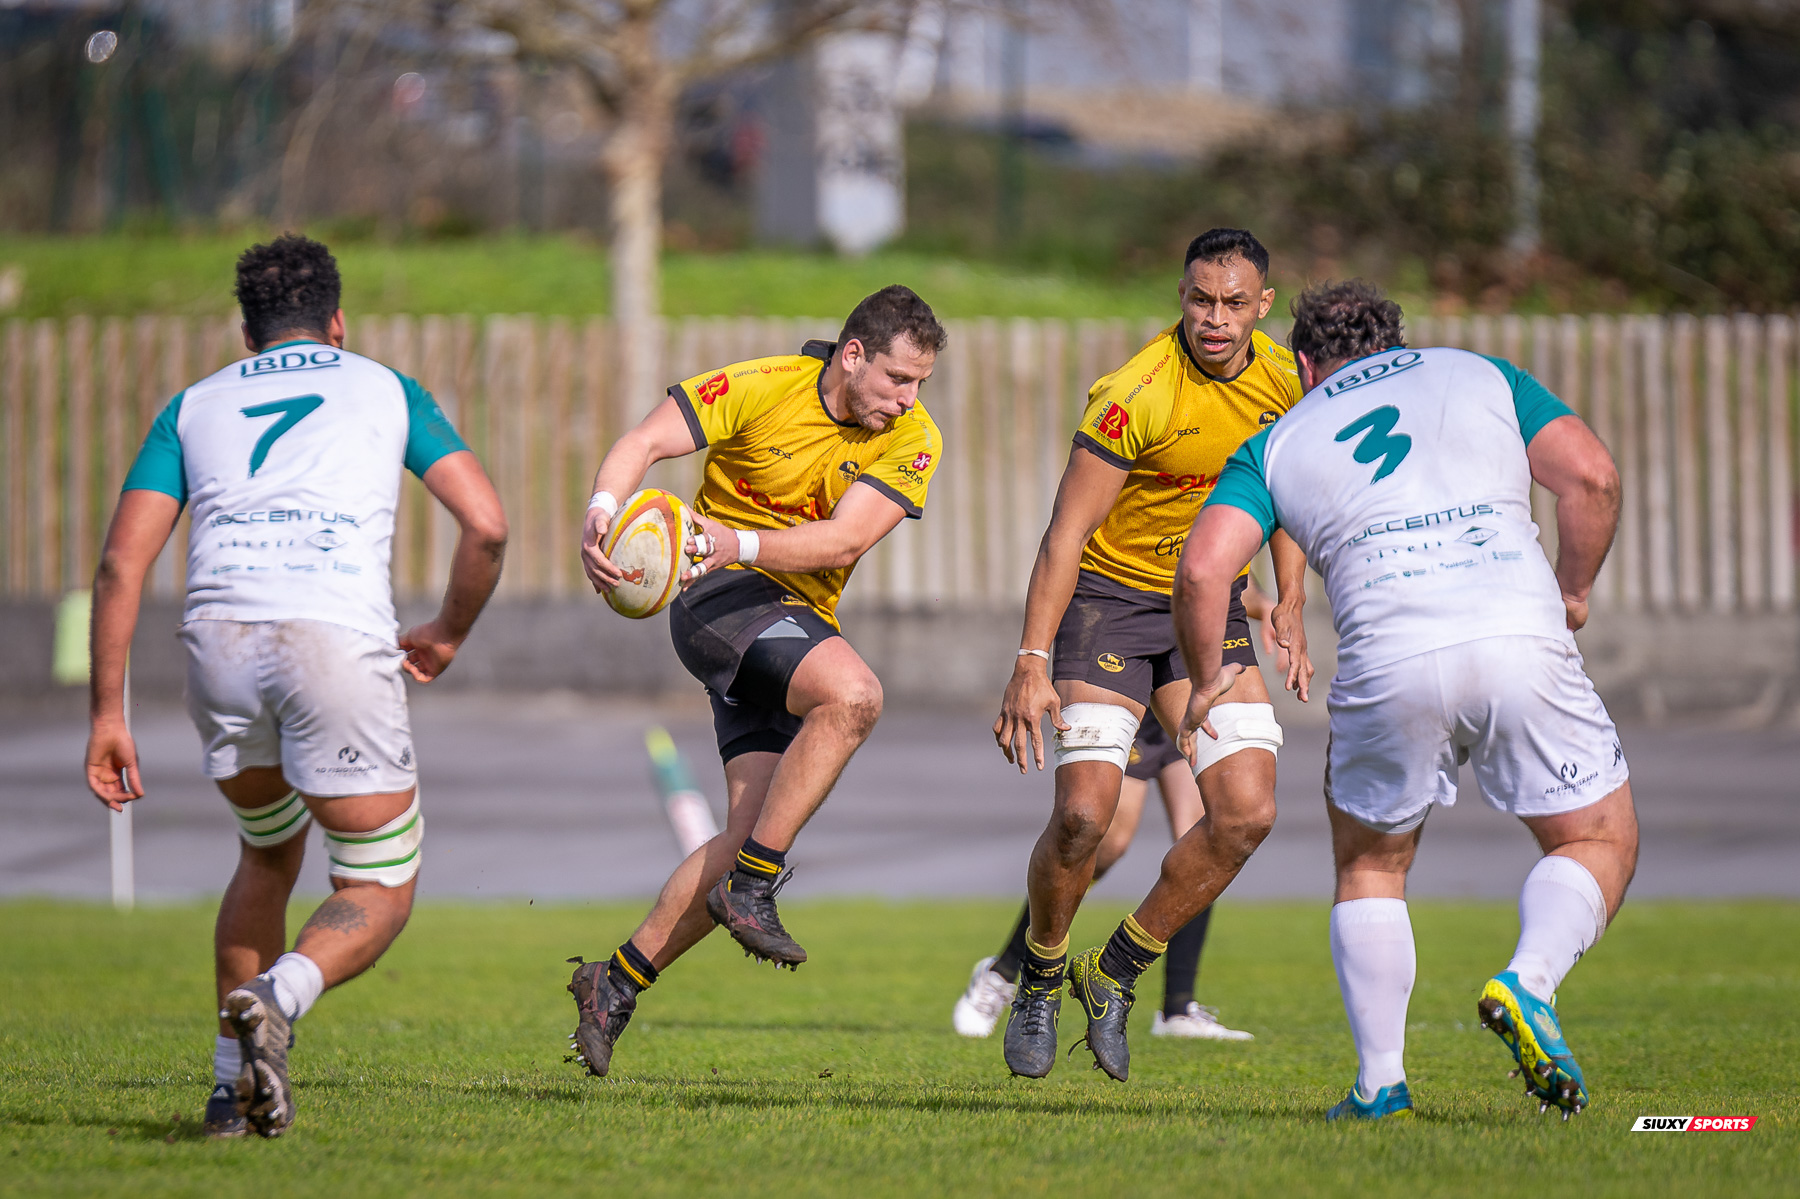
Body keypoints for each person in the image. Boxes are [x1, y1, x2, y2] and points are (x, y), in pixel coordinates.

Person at [1168, 279, 1636, 1121]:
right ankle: (1528, 982)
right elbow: (1593, 478)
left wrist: (1207, 678)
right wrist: (1572, 591)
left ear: (1304, 362)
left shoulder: (1276, 440)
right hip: (1515, 636)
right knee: (1597, 835)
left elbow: (1203, 568)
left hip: (1389, 655)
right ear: (1396, 340)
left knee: (1371, 863)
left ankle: (1381, 1083)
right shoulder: (1481, 373)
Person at [83, 234, 508, 1139]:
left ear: (247, 333)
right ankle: (277, 992)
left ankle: (228, 1089)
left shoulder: (192, 406)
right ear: (339, 322)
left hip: (220, 640)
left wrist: (107, 715)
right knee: (381, 880)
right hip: (332, 636)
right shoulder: (383, 386)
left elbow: (121, 564)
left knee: (267, 854)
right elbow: (488, 525)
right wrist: (447, 631)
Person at [567, 285, 946, 1078]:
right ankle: (755, 888)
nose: (910, 400)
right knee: (854, 695)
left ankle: (615, 980)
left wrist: (730, 537)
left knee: (748, 829)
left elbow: (843, 540)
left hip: (786, 611)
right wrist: (602, 512)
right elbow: (641, 442)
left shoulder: (914, 438)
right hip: (716, 601)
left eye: (920, 384)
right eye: (898, 380)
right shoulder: (762, 385)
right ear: (853, 354)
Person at [991, 229, 1313, 1082]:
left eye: (1233, 303)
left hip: (1204, 608)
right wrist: (1030, 656)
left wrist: (1289, 600)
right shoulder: (1132, 395)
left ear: (1262, 306)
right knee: (1085, 819)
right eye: (1200, 300)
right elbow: (1065, 535)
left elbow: (1290, 494)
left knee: (1245, 812)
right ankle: (1043, 970)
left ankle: (1117, 971)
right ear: (1181, 294)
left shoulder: (1286, 382)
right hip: (1107, 605)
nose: (1214, 318)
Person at [951, 577, 1289, 1043]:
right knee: (1104, 839)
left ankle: (1176, 1008)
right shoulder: (1133, 528)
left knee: (1209, 830)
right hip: (1127, 678)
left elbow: (1220, 572)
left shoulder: (1208, 514)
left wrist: (1270, 605)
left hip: (1185, 682)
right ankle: (1005, 971)